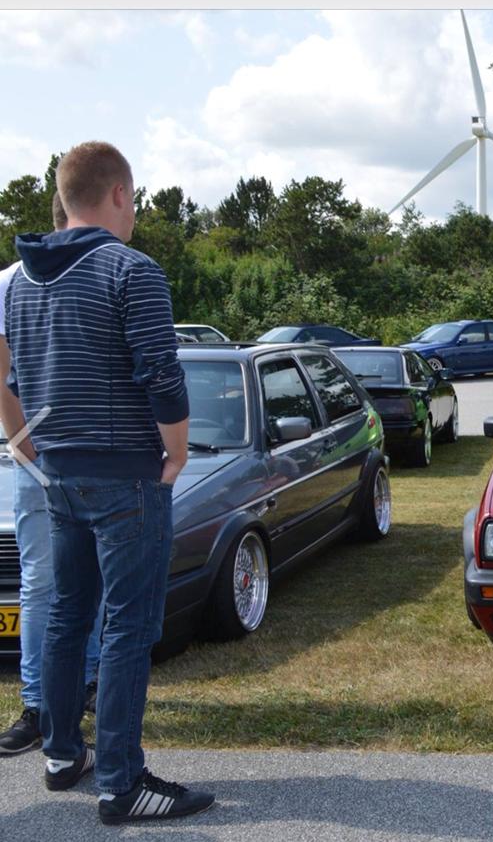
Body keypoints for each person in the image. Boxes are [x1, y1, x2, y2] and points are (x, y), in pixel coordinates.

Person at [6, 142, 213, 824]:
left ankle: (64, 754)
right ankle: (121, 784)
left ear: (65, 197)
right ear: (120, 195)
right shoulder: (131, 270)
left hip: (56, 475)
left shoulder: (22, 282)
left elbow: (16, 378)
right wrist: (177, 453)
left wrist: (31, 447)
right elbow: (161, 370)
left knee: (68, 614)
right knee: (126, 627)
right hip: (126, 475)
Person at [0, 193, 103, 757]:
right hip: (40, 454)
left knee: (95, 579)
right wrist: (21, 443)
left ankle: (82, 684)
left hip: (98, 452)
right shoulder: (13, 282)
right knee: (44, 582)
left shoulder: (104, 270)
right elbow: (1, 375)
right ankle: (38, 704)